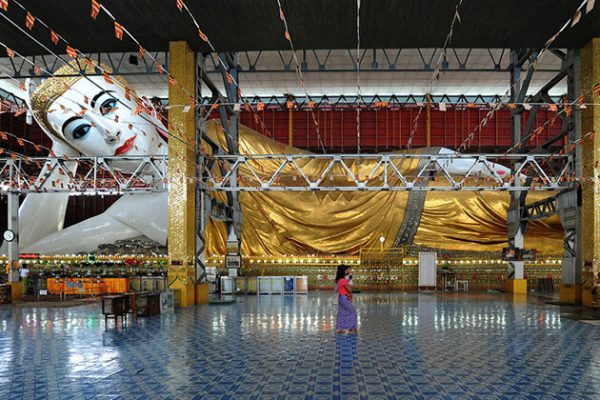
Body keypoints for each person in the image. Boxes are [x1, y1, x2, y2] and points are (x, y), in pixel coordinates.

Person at [335, 264, 357, 334]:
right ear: (344, 271)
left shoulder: (339, 280)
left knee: (341, 313)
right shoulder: (343, 280)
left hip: (341, 298)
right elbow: (349, 290)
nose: (349, 271)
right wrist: (349, 282)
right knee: (352, 312)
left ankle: (339, 328)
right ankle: (351, 328)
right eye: (347, 270)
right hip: (345, 298)